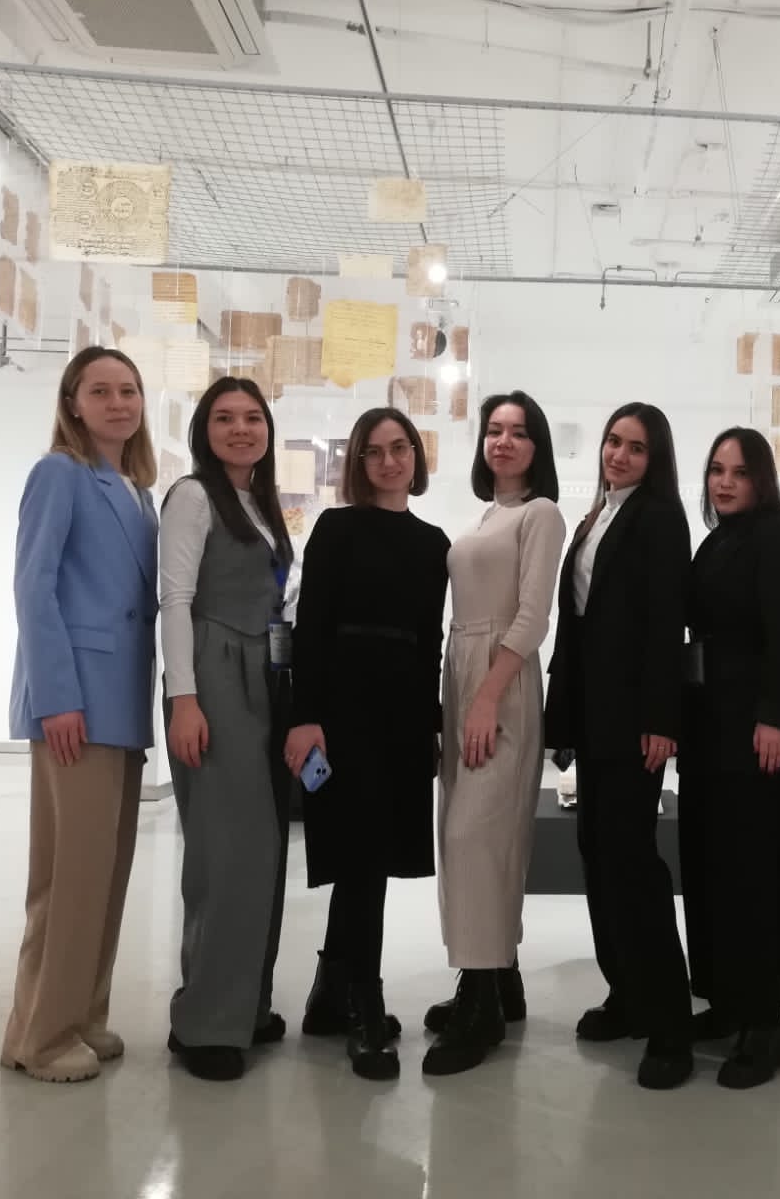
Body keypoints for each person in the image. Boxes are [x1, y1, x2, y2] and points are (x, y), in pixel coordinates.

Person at [1, 346, 158, 1084]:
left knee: (103, 873)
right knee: (68, 877)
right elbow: (33, 588)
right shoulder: (59, 473)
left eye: (128, 390)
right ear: (72, 402)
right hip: (78, 704)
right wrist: (57, 697)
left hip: (121, 702)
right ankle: (43, 1036)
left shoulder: (136, 490)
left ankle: (80, 1014)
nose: (118, 403)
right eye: (101, 391)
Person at [285, 408, 450, 1081]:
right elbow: (311, 627)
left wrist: (432, 725)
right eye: (374, 452)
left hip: (403, 717)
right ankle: (364, 1005)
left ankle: (331, 993)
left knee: (371, 858)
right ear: (358, 462)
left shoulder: (435, 543)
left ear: (415, 455)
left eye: (399, 448)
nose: (388, 461)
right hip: (343, 713)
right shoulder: (336, 527)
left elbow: (430, 642)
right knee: (359, 860)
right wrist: (304, 717)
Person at [543, 402, 695, 1090]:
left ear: (654, 459)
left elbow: (665, 624)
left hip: (636, 720)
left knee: (632, 865)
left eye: (635, 447)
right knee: (598, 857)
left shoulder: (658, 518)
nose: (619, 455)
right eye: (613, 441)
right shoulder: (596, 516)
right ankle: (626, 992)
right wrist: (564, 721)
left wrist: (662, 718)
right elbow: (576, 626)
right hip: (594, 716)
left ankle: (669, 1024)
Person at [422, 391, 567, 1076]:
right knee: (461, 829)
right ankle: (495, 979)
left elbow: (533, 618)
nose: (503, 441)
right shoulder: (488, 515)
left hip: (500, 678)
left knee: (475, 835)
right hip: (462, 670)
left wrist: (485, 696)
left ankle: (481, 1003)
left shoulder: (541, 514)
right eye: (494, 430)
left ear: (538, 446)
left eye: (518, 431)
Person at [159, 377, 295, 1081]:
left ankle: (243, 1005)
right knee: (226, 851)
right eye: (224, 418)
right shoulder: (193, 496)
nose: (241, 429)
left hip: (261, 677)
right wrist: (184, 698)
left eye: (252, 418)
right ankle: (205, 1023)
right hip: (213, 674)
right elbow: (175, 599)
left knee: (261, 850)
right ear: (204, 431)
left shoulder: (259, 503)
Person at [678, 429, 780, 1089]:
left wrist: (776, 716)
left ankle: (764, 1024)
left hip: (754, 730)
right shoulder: (716, 541)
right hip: (709, 728)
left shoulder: (774, 541)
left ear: (762, 480)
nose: (725, 482)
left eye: (739, 472)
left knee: (753, 872)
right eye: (716, 470)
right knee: (712, 869)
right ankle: (728, 1001)